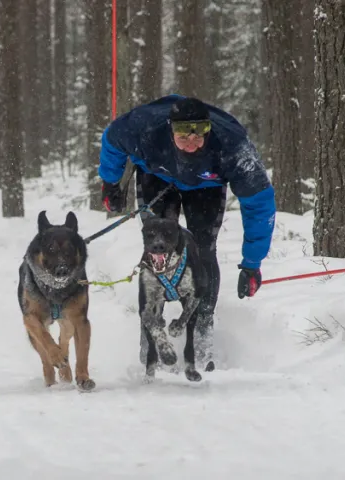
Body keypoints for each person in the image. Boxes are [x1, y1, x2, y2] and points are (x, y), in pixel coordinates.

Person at [98, 94, 276, 371]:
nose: (192, 143)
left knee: (203, 250)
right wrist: (110, 183)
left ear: (208, 129)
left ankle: (202, 330)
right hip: (157, 175)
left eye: (199, 134)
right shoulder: (144, 127)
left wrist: (252, 264)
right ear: (170, 128)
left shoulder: (232, 146)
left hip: (206, 187)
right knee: (158, 246)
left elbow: (260, 205)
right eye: (183, 135)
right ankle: (151, 337)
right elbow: (112, 140)